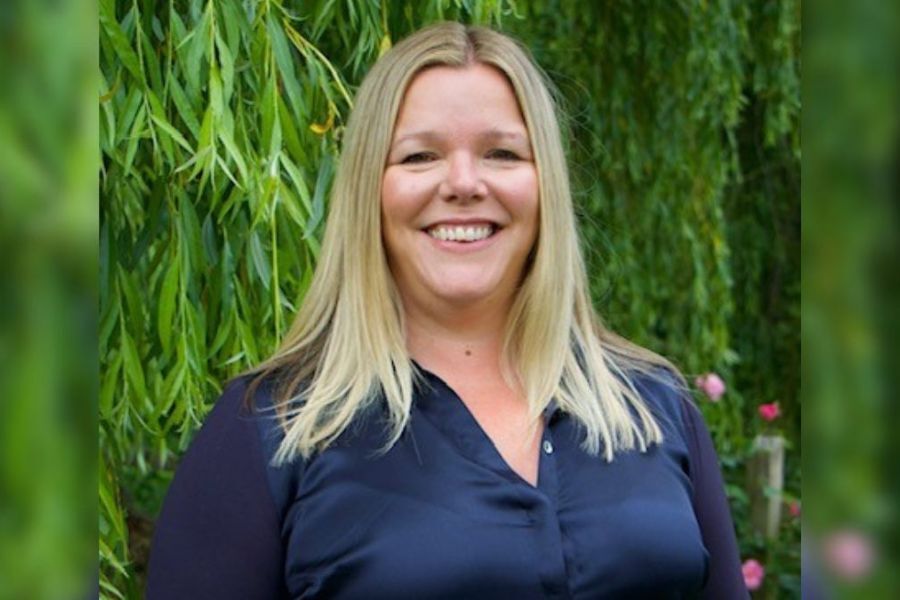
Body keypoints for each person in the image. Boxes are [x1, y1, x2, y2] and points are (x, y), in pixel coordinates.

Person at [146, 22, 748, 599]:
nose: (463, 183)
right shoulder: (272, 430)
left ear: (546, 185)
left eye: (502, 153)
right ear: (369, 190)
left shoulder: (653, 408)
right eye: (419, 157)